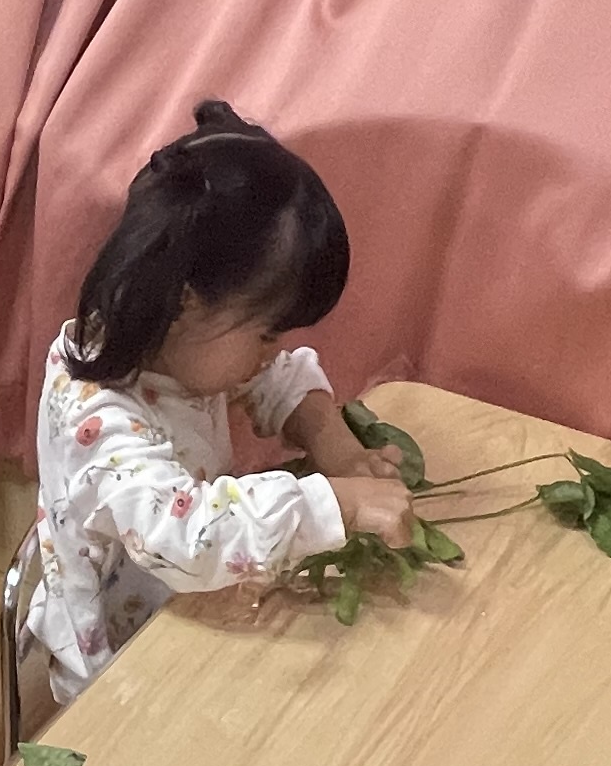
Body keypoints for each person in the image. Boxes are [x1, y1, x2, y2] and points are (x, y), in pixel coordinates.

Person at [21, 101, 413, 695]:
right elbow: (187, 536)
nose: (269, 353)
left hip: (195, 616)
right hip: (119, 671)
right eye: (266, 332)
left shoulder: (175, 343)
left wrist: (332, 442)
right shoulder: (99, 420)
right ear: (187, 304)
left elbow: (269, 376)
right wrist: (335, 505)